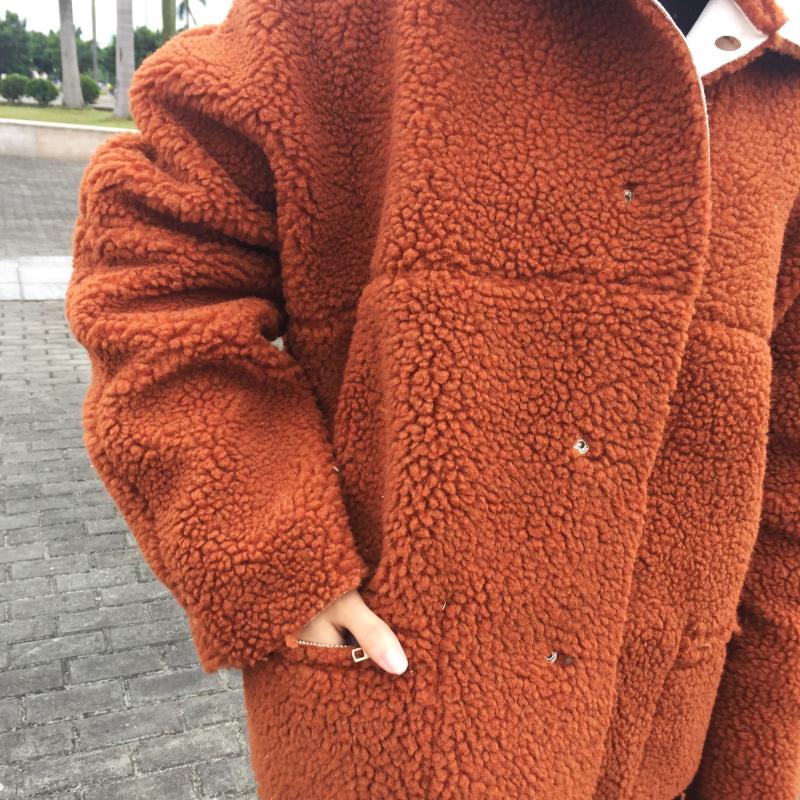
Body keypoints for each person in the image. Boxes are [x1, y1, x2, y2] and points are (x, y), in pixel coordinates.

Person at [63, 0, 800, 797]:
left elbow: (787, 466)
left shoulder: (780, 78)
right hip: (397, 727)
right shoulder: (356, 17)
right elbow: (149, 273)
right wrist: (274, 559)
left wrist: (761, 765)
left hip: (657, 746)